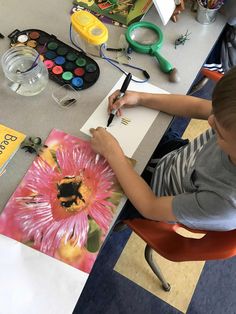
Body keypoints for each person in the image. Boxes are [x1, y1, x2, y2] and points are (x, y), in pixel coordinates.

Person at [90, 66, 236, 231]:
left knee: (92, 197)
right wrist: (141, 98)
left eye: (219, 131)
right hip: (176, 156)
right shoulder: (229, 116)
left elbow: (150, 206)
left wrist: (112, 153)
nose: (210, 120)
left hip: (155, 193)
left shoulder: (223, 204)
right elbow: (197, 106)